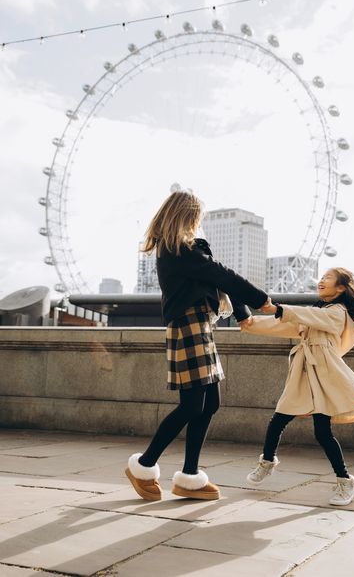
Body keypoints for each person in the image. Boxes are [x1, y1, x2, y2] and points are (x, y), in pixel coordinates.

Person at [125, 190, 269, 502]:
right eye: (196, 218)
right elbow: (221, 274)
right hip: (188, 327)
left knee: (210, 403)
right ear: (186, 217)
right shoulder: (178, 250)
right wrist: (263, 301)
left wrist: (243, 314)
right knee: (191, 405)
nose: (198, 224)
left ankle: (190, 476)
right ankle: (144, 466)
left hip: (200, 326)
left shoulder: (186, 251)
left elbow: (217, 280)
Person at [240, 267, 354, 506]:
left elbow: (304, 316)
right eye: (322, 277)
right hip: (304, 374)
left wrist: (277, 309)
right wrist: (251, 323)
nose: (321, 281)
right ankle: (267, 462)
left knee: (322, 432)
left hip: (325, 378)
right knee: (278, 420)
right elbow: (285, 325)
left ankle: (345, 480)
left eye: (327, 278)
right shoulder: (318, 313)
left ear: (341, 288)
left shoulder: (338, 313)